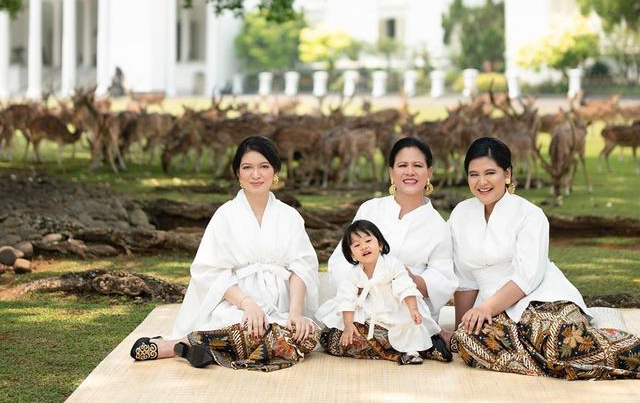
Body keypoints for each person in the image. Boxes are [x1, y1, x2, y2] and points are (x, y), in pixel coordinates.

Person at [447, 136, 640, 379]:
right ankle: (558, 365)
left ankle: (610, 340)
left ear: (507, 174)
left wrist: (485, 308)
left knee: (562, 342)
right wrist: (459, 327)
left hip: (541, 297)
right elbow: (465, 280)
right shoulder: (460, 214)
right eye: (473, 174)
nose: (481, 182)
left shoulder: (530, 214)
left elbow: (528, 276)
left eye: (490, 173)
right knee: (468, 342)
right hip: (495, 311)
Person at [130, 135, 320, 371]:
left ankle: (198, 346)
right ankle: (180, 345)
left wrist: (295, 313)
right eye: (247, 168)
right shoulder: (225, 215)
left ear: (275, 171)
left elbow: (302, 267)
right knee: (245, 327)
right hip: (236, 303)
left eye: (264, 167)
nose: (256, 175)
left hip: (281, 305)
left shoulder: (290, 216)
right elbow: (210, 270)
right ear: (238, 174)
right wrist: (248, 305)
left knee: (307, 336)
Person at [326, 136, 457, 358]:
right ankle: (417, 346)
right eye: (402, 165)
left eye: (417, 166)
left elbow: (443, 278)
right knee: (341, 338)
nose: (410, 172)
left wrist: (409, 278)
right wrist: (361, 280)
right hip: (364, 306)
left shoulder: (438, 225)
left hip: (407, 309)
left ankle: (411, 341)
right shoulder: (370, 209)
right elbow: (340, 259)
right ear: (391, 172)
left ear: (429, 173)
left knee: (402, 328)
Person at [317, 220, 445, 363]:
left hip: (398, 305)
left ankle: (412, 351)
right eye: (357, 245)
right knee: (340, 334)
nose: (364, 247)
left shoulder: (393, 265)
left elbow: (405, 285)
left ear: (380, 244)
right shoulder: (354, 274)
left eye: (368, 241)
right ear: (352, 254)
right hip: (372, 309)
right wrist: (348, 325)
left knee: (407, 324)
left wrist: (413, 309)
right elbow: (346, 299)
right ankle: (392, 349)